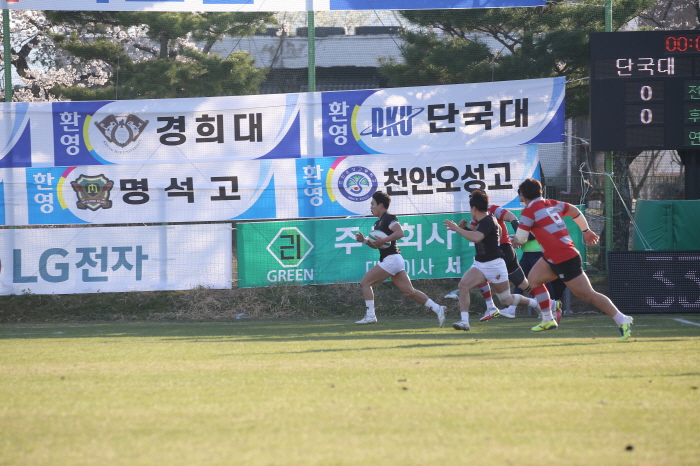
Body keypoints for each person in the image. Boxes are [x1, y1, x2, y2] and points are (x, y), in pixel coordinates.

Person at [511, 178, 634, 340]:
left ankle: (622, 319)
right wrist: (586, 231)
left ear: (524, 195)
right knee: (534, 279)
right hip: (553, 256)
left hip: (564, 257)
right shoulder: (554, 203)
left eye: (520, 194)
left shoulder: (529, 211)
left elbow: (520, 239)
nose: (520, 198)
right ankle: (548, 319)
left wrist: (510, 240)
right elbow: (575, 211)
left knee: (588, 295)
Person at [443, 189, 539, 331]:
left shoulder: (488, 220)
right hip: (480, 264)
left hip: (494, 265)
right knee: (463, 285)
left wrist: (457, 229)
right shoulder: (483, 220)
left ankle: (537, 303)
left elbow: (477, 237)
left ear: (474, 209)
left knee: (506, 299)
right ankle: (464, 321)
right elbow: (479, 235)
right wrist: (464, 229)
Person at [354, 190, 446, 327]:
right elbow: (376, 246)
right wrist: (365, 240)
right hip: (394, 260)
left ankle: (370, 316)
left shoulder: (388, 218)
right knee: (409, 292)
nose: (371, 207)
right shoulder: (377, 223)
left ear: (380, 205)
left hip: (392, 259)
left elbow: (400, 232)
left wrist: (384, 239)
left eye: (372, 204)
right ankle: (438, 308)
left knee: (365, 282)